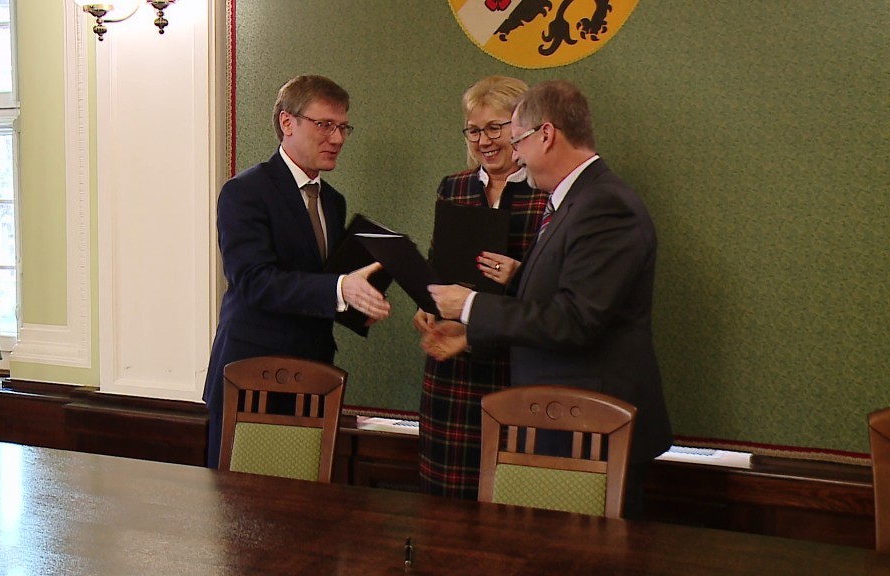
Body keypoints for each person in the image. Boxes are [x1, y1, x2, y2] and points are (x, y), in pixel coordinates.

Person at [425, 80, 673, 517]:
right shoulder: (576, 201)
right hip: (565, 423)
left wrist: (469, 306)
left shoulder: (603, 206)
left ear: (546, 134)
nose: (516, 155)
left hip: (590, 427)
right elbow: (555, 299)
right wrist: (472, 331)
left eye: (517, 139)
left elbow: (575, 319)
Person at [203, 75, 391, 469]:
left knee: (302, 501)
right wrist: (341, 289)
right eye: (325, 125)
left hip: (314, 379)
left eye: (343, 127)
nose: (337, 138)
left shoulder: (333, 201)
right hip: (252, 377)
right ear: (287, 122)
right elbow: (253, 281)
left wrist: (359, 306)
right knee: (237, 501)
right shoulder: (245, 191)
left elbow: (320, 284)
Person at [413, 76, 549, 500]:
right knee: (446, 507)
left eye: (495, 128)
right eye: (474, 130)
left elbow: (557, 294)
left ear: (521, 128)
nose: (484, 141)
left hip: (515, 366)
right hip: (450, 371)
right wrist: (426, 303)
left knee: (510, 505)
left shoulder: (546, 192)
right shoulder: (453, 187)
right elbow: (439, 265)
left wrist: (519, 275)